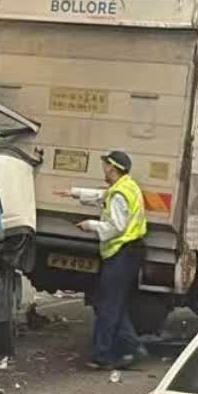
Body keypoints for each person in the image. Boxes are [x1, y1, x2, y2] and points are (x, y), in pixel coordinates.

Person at [58, 150, 148, 369]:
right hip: (128, 252)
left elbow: (116, 227)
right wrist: (74, 193)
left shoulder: (119, 194)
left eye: (106, 165)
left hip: (122, 253)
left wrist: (91, 226)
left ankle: (102, 355)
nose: (104, 169)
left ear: (113, 168)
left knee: (107, 305)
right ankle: (132, 346)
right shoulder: (126, 186)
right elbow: (101, 196)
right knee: (111, 303)